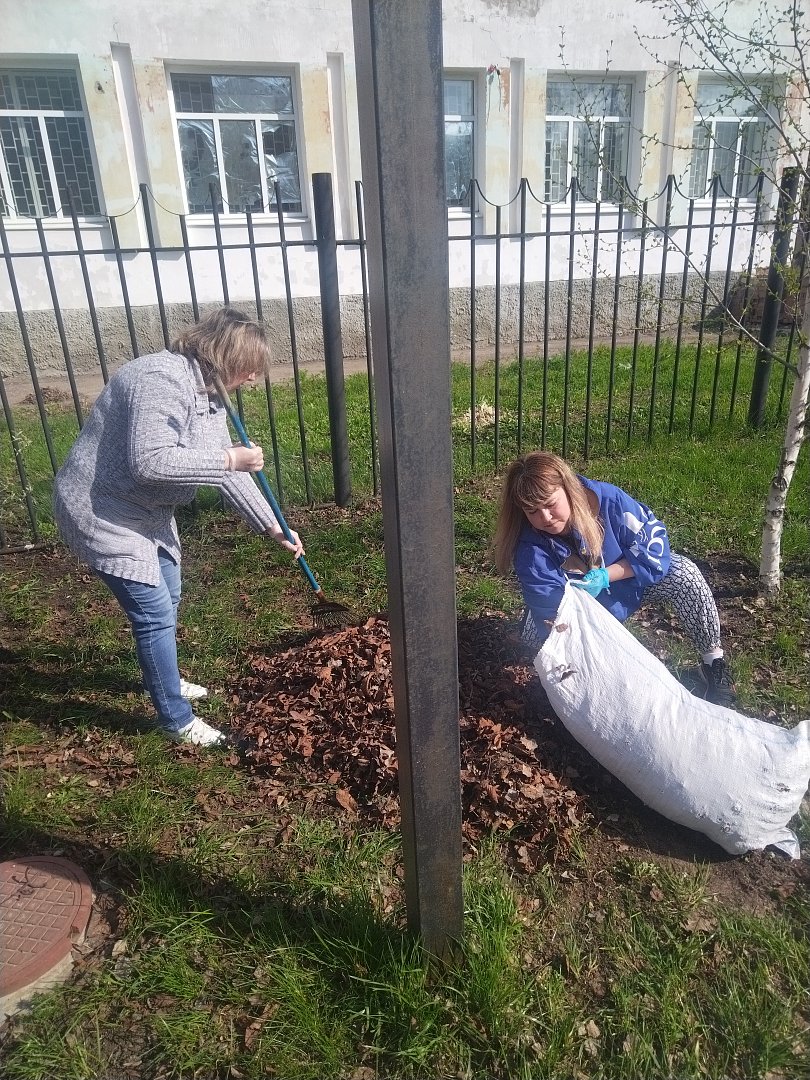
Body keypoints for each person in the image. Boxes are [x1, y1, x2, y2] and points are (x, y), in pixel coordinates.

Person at [52, 307, 304, 746]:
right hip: (103, 509)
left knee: (168, 597)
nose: (252, 378)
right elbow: (150, 462)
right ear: (227, 356)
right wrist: (228, 457)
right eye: (249, 367)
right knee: (153, 614)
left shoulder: (209, 390)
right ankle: (175, 719)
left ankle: (163, 675)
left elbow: (225, 473)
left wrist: (272, 526)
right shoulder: (159, 380)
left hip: (148, 512)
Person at [492, 451, 736, 707]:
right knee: (536, 638)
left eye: (551, 504)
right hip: (576, 609)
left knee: (683, 572)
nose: (545, 518)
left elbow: (655, 549)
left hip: (628, 584)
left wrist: (606, 575)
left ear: (568, 488)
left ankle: (713, 662)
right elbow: (548, 607)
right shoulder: (529, 547)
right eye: (532, 511)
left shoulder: (609, 501)